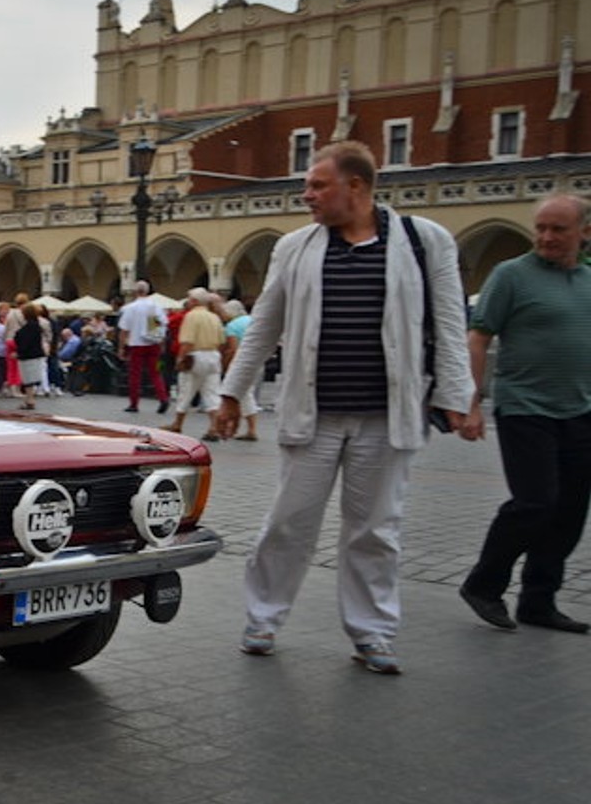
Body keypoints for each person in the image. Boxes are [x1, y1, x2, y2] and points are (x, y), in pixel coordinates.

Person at [215, 140, 476, 675]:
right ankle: (262, 617)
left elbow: (449, 322)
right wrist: (230, 394)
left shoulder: (425, 241)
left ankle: (373, 632)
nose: (306, 194)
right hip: (314, 413)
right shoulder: (295, 247)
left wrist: (457, 396)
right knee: (288, 523)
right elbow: (265, 325)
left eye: (317, 185)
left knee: (376, 529)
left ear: (355, 186)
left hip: (387, 416)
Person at [457, 193, 591, 634]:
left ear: (584, 233)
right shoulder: (511, 275)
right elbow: (477, 339)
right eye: (541, 228)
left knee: (570, 511)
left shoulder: (589, 280)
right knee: (536, 502)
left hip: (580, 411)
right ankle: (483, 585)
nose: (547, 237)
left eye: (559, 229)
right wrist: (472, 402)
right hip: (525, 408)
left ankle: (538, 601)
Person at [168, 289, 226, 439]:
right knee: (212, 393)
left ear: (194, 301)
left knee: (186, 390)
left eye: (189, 299)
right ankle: (214, 427)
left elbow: (187, 341)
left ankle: (177, 424)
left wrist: (180, 358)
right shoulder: (214, 317)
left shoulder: (191, 316)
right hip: (213, 355)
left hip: (195, 356)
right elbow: (221, 342)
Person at [116, 281, 169, 413]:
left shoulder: (130, 308)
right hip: (153, 345)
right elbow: (160, 327)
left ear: (135, 291)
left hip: (136, 345)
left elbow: (124, 330)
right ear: (147, 291)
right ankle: (163, 398)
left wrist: (121, 347)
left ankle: (134, 403)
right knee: (156, 373)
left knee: (135, 375)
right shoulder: (155, 306)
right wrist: (161, 344)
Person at [220, 298, 260, 441]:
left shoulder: (232, 325)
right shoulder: (252, 320)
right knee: (249, 394)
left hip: (243, 363)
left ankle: (251, 429)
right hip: (258, 361)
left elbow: (232, 349)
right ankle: (251, 428)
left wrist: (226, 365)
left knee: (244, 395)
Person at [12, 301, 47, 410]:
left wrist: (18, 352)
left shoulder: (29, 327)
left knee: (28, 379)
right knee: (30, 379)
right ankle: (29, 399)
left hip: (27, 355)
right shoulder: (36, 325)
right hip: (35, 354)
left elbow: (24, 341)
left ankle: (30, 400)